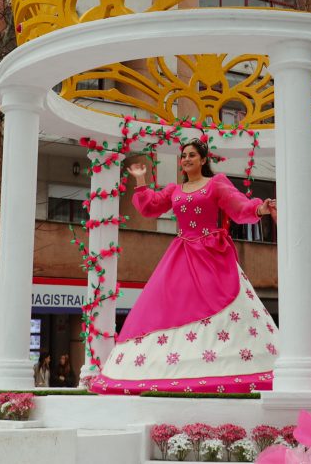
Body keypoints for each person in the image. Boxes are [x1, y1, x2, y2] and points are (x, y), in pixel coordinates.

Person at [88, 138, 278, 395]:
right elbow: (150, 207)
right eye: (183, 155)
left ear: (203, 160)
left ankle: (223, 363)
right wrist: (141, 181)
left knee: (218, 302)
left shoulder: (216, 183)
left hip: (212, 254)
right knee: (168, 303)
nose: (186, 159)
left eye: (191, 155)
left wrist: (259, 209)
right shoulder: (175, 190)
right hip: (183, 253)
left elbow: (238, 206)